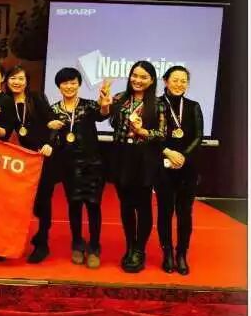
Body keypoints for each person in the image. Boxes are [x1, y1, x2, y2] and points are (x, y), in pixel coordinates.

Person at [48, 68, 112, 269]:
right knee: (74, 205)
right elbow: (50, 136)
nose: (69, 86)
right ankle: (77, 243)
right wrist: (49, 128)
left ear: (79, 84)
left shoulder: (88, 105)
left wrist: (104, 104)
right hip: (69, 166)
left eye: (73, 82)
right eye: (65, 83)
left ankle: (94, 247)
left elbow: (102, 115)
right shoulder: (54, 110)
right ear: (59, 86)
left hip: (93, 165)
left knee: (93, 206)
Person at [109, 60, 167, 273]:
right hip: (121, 156)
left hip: (145, 159)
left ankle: (140, 250)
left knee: (142, 205)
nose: (138, 80)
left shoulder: (158, 104)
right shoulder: (119, 98)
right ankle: (130, 246)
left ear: (151, 80)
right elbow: (111, 121)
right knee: (125, 204)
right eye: (135, 75)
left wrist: (144, 132)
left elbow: (162, 134)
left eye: (143, 77)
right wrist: (104, 103)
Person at [0, 66, 56, 265]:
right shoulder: (5, 102)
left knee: (42, 202)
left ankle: (42, 242)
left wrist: (49, 143)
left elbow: (52, 122)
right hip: (20, 160)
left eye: (21, 78)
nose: (16, 82)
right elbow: (4, 132)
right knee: (17, 203)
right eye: (13, 78)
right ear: (6, 81)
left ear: (27, 81)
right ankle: (10, 241)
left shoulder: (36, 98)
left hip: (42, 156)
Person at [155, 66, 203, 275]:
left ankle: (181, 253)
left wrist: (182, 156)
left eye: (183, 81)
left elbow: (198, 136)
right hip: (163, 167)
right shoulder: (155, 104)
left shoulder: (193, 106)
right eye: (175, 80)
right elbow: (150, 135)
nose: (179, 84)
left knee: (185, 213)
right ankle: (167, 253)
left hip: (187, 167)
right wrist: (167, 153)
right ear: (166, 81)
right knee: (165, 212)